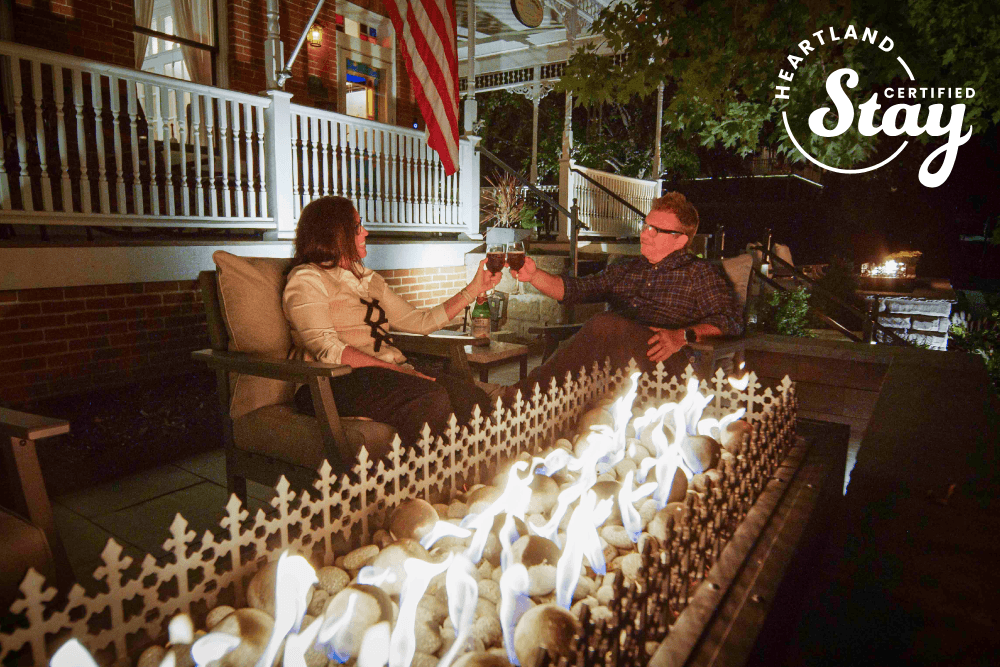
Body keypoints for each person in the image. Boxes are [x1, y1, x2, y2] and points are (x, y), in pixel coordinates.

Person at [282, 196, 502, 445]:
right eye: (356, 227)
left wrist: (473, 290)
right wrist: (397, 370)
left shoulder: (368, 279)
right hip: (331, 383)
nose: (365, 232)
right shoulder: (307, 279)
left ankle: (468, 475)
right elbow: (328, 348)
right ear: (335, 234)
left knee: (471, 398)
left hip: (386, 375)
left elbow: (420, 322)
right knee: (431, 399)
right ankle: (423, 479)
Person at [507, 192, 743, 396]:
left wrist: (682, 336)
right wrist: (534, 275)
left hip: (665, 363)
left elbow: (729, 321)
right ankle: (526, 399)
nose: (645, 234)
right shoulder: (627, 268)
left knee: (605, 324)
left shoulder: (700, 273)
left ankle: (517, 397)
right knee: (600, 330)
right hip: (616, 359)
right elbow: (575, 290)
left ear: (679, 240)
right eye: (646, 225)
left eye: (656, 230)